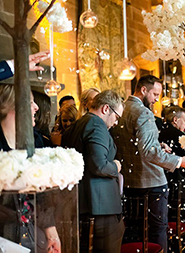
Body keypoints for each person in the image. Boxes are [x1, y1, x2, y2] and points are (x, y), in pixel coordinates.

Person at [111, 75, 185, 252]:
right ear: (143, 90)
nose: (157, 99)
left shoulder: (121, 108)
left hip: (128, 181)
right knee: (157, 231)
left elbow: (130, 143)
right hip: (151, 182)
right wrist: (179, 161)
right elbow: (149, 152)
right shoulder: (144, 113)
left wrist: (159, 145)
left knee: (133, 232)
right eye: (155, 94)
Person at [0, 84, 61, 252]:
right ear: (13, 107)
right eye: (31, 102)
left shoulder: (34, 142)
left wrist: (51, 232)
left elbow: (41, 196)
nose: (36, 108)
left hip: (28, 231)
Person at [62, 90, 125, 253]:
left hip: (85, 204)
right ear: (105, 109)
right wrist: (116, 166)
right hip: (101, 207)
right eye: (116, 117)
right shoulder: (96, 125)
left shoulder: (78, 124)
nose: (116, 123)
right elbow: (99, 166)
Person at [158, 106, 185, 248]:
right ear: (175, 120)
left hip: (161, 180)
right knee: (177, 212)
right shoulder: (178, 135)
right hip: (175, 180)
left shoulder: (158, 132)